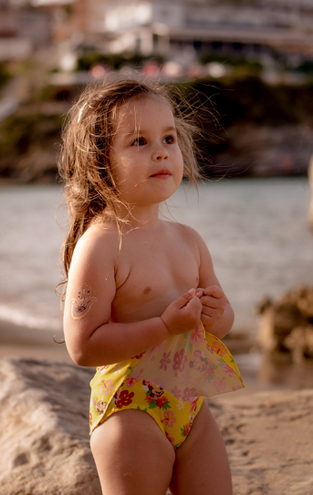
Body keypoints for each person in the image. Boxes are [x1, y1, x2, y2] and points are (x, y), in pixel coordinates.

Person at [58, 75, 244, 495]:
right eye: (139, 141)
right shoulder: (102, 245)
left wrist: (217, 315)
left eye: (168, 138)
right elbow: (83, 346)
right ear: (100, 162)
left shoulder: (189, 241)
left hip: (189, 405)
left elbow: (221, 324)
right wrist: (163, 327)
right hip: (129, 408)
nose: (161, 151)